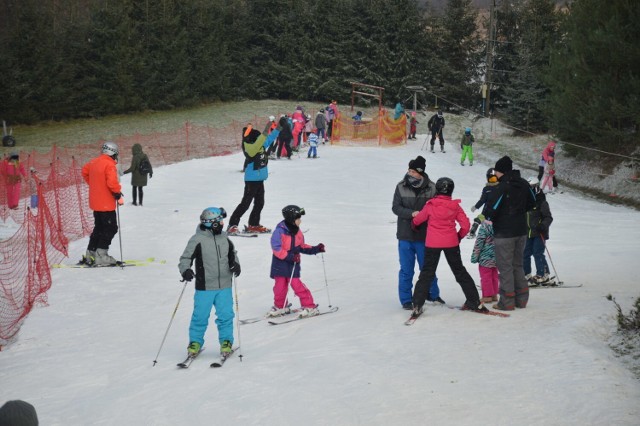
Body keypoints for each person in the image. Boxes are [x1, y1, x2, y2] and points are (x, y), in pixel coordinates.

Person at [410, 177, 485, 315]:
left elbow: (418, 219)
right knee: (460, 272)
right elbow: (466, 225)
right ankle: (474, 301)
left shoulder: (431, 205)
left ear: (437, 189)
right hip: (451, 243)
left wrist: (414, 224)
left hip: (433, 243)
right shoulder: (455, 206)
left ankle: (417, 305)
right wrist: (458, 236)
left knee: (427, 273)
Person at [179, 207, 240, 357]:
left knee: (226, 315)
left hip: (224, 285)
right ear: (213, 223)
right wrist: (185, 270)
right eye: (220, 221)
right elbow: (185, 258)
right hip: (205, 286)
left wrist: (236, 264)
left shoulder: (225, 239)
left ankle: (226, 342)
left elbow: (233, 254)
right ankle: (195, 342)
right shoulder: (197, 240)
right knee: (200, 316)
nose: (222, 224)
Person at [484, 156, 536, 311]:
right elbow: (533, 202)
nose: (496, 174)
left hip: (504, 233)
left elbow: (491, 210)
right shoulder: (523, 183)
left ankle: (507, 302)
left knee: (505, 267)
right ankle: (522, 299)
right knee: (517, 265)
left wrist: (493, 216)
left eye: (497, 171)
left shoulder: (502, 187)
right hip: (521, 231)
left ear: (501, 171)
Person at [392, 155, 444, 310]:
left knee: (427, 268)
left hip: (425, 236)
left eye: (413, 171)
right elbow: (396, 208)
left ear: (420, 172)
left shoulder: (432, 187)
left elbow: (437, 208)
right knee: (406, 270)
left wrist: (425, 216)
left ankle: (432, 294)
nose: (410, 174)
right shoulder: (401, 186)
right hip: (405, 236)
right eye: (409, 170)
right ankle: (406, 300)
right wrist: (411, 213)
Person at [267, 205, 325, 318]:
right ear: (291, 219)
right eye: (298, 218)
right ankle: (280, 306)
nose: (300, 221)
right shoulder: (279, 232)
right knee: (279, 288)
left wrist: (316, 249)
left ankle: (310, 306)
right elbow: (276, 248)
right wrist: (290, 256)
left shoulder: (298, 232)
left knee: (297, 285)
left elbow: (302, 246)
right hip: (280, 264)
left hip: (293, 264)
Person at [227, 121, 280, 234]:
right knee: (245, 204)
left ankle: (254, 224)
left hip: (260, 180)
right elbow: (257, 144)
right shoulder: (249, 148)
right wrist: (265, 132)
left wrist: (278, 129)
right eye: (257, 138)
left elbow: (269, 139)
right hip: (251, 181)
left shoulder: (260, 145)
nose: (259, 140)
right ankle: (232, 225)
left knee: (260, 203)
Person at [81, 141, 124, 266]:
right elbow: (112, 182)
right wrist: (117, 192)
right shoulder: (109, 164)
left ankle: (91, 253)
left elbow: (84, 172)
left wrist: (95, 184)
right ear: (112, 153)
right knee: (111, 228)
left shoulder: (94, 162)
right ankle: (101, 255)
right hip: (106, 203)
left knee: (99, 227)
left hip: (95, 202)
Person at [523, 177, 553, 285]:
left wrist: (543, 225)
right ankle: (526, 275)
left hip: (539, 232)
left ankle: (543, 274)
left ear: (536, 187)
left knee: (537, 253)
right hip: (528, 232)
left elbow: (548, 217)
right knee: (525, 253)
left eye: (530, 187)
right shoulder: (526, 202)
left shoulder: (541, 201)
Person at [470, 217, 499, 303]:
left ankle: (487, 296)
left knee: (486, 277)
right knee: (494, 276)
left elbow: (479, 243)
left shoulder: (484, 227)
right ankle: (494, 294)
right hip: (497, 256)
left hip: (485, 257)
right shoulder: (499, 225)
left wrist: (474, 257)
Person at [468, 168, 499, 238]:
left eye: (494, 179)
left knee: (481, 217)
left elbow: (482, 200)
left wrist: (475, 207)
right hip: (497, 211)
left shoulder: (487, 188)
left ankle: (474, 227)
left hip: (487, 210)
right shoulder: (501, 188)